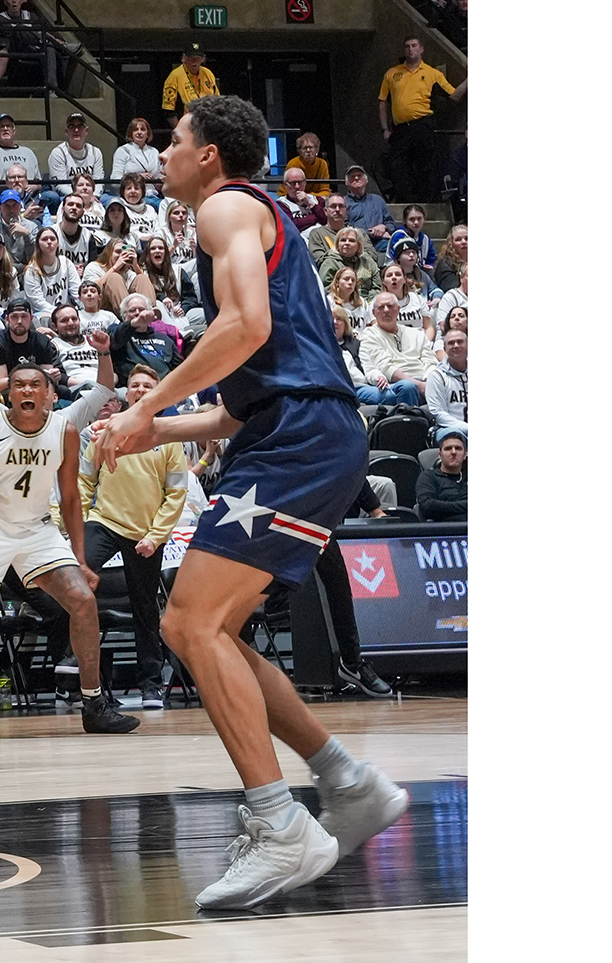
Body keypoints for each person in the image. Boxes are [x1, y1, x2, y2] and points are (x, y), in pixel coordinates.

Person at [95, 94, 408, 909]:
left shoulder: (226, 206)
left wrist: (138, 406)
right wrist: (152, 430)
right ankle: (349, 782)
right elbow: (236, 405)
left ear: (208, 156)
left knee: (187, 624)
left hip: (301, 435)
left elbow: (245, 326)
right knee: (217, 629)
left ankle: (280, 826)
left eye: (173, 139)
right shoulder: (249, 221)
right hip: (287, 428)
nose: (163, 152)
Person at [0, 360, 139, 734]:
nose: (26, 391)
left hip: (38, 530)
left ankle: (93, 703)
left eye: (35, 384)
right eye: (18, 385)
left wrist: (80, 558)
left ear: (50, 395)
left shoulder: (64, 430)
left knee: (83, 601)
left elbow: (70, 498)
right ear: (7, 394)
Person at [76, 364, 189, 708]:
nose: (140, 390)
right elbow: (84, 482)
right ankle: (74, 670)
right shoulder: (105, 430)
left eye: (147, 385)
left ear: (156, 392)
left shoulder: (169, 437)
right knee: (76, 587)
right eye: (135, 385)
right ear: (126, 392)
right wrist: (77, 529)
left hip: (146, 534)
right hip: (103, 521)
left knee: (145, 609)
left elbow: (176, 493)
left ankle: (151, 684)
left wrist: (155, 537)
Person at [377, 35, 467, 202]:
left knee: (426, 165)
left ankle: (427, 203)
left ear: (421, 49)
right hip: (400, 128)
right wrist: (385, 129)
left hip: (422, 125)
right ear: (404, 50)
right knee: (398, 167)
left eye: (414, 45)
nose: (410, 49)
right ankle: (404, 202)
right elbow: (383, 101)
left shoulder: (433, 73)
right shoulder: (392, 73)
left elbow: (454, 96)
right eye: (407, 46)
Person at [161, 43, 218, 126]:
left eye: (198, 58)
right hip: (187, 124)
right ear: (184, 58)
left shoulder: (208, 73)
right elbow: (168, 109)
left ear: (203, 59)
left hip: (207, 125)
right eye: (191, 58)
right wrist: (179, 130)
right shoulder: (175, 75)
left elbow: (217, 101)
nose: (194, 61)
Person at [415, 431, 466, 520]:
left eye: (458, 448)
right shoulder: (428, 477)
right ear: (440, 455)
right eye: (448, 448)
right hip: (442, 529)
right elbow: (428, 506)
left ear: (465, 455)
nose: (453, 452)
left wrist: (444, 505)